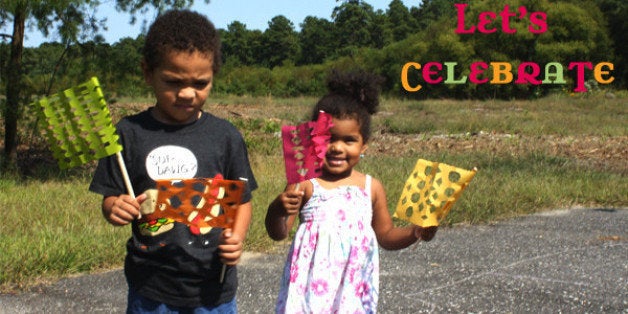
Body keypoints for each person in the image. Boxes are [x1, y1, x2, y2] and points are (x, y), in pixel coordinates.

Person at [89, 10, 257, 313]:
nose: (187, 93)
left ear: (213, 76)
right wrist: (115, 207)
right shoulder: (128, 134)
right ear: (147, 72)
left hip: (213, 288)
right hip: (151, 287)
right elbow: (110, 196)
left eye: (201, 83)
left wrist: (238, 237)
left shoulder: (226, 136)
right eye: (173, 81)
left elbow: (241, 200)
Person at [265, 70, 438, 313]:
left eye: (348, 140)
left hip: (352, 292)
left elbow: (386, 236)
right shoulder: (304, 182)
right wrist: (277, 208)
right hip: (309, 293)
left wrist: (415, 231)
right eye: (328, 139)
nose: (336, 148)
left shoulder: (371, 187)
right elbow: (279, 232)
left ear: (363, 144)